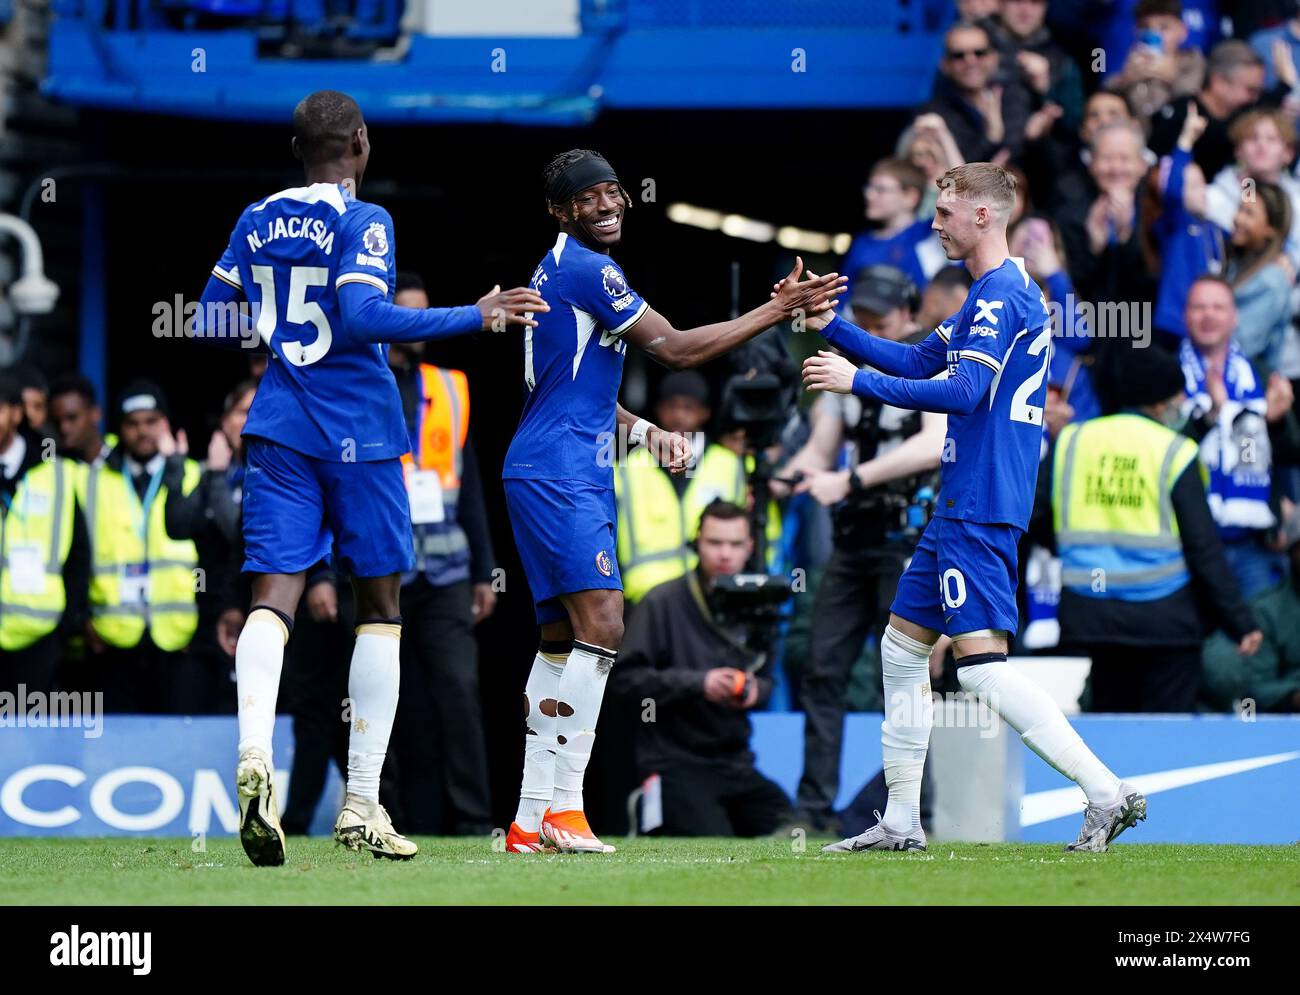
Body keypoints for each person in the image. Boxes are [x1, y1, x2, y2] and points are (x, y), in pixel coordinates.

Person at [192, 89, 545, 866]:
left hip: (280, 425)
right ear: (359, 142)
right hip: (362, 433)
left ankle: (255, 753)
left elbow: (206, 320)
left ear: (296, 149)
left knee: (272, 596)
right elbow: (363, 316)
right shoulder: (365, 219)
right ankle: (360, 802)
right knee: (380, 608)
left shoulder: (256, 217)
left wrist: (279, 333)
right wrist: (474, 314)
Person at [502, 147, 844, 854]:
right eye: (588, 197)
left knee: (561, 638)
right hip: (561, 470)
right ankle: (567, 808)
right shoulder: (590, 270)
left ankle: (528, 819)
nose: (607, 205)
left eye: (614, 192)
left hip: (547, 461)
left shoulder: (554, 268)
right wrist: (777, 309)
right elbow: (679, 351)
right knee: (604, 618)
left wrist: (643, 428)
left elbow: (571, 392)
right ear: (561, 210)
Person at [800, 162, 1145, 854]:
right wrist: (829, 326)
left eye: (945, 212)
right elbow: (919, 360)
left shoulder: (998, 299)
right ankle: (901, 818)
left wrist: (855, 381)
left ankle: (1106, 791)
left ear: (985, 215)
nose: (934, 224)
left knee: (981, 668)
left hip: (981, 501)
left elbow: (960, 392)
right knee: (900, 651)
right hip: (963, 500)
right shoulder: (991, 294)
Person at [777, 265, 947, 832]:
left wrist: (851, 481)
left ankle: (913, 805)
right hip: (853, 546)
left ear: (910, 314)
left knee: (900, 677)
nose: (871, 323)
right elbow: (821, 450)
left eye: (881, 315)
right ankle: (813, 808)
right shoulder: (846, 371)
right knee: (823, 669)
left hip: (905, 545)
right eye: (864, 315)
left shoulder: (929, 366)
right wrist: (784, 476)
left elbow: (932, 445)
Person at [1033, 346, 1261, 711]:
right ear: (1156, 403)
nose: (1180, 403)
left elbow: (1036, 519)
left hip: (1093, 614)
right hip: (1164, 618)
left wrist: (1077, 552)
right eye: (1175, 396)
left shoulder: (1073, 441)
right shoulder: (1175, 450)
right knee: (1166, 740)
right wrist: (1239, 622)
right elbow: (1203, 548)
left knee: (1108, 734)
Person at [385, 271, 498, 835]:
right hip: (381, 570)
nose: (422, 325)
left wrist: (484, 569)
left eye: (427, 313)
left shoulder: (449, 386)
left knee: (458, 690)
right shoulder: (360, 381)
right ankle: (386, 813)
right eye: (410, 314)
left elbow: (470, 482)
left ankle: (474, 818)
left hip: (449, 567)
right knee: (384, 699)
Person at [611, 501, 792, 837]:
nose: (725, 554)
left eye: (736, 544)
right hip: (673, 762)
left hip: (736, 763)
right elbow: (624, 681)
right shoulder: (661, 601)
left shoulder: (760, 601)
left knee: (793, 830)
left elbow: (768, 679)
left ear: (750, 547)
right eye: (714, 543)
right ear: (697, 543)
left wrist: (754, 690)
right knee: (710, 840)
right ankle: (646, 808)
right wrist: (699, 684)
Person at [74, 381, 203, 713]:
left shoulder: (190, 474)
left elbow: (212, 559)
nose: (142, 431)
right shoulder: (95, 479)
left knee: (179, 743)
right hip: (114, 635)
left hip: (179, 635)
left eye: (151, 421)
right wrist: (84, 620)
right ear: (119, 428)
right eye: (132, 423)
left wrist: (203, 626)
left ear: (166, 424)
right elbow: (79, 555)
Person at [1179, 276, 1291, 599]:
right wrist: (1212, 416)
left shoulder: (1258, 372)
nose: (1209, 315)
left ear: (1234, 316)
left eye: (1218, 307)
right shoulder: (1168, 373)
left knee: (1256, 640)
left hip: (1252, 542)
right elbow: (1160, 445)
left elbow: (1290, 450)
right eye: (1199, 307)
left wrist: (1276, 420)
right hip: (1187, 543)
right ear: (1185, 315)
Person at [0, 372, 88, 697]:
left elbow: (79, 554)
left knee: (29, 743)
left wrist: (67, 627)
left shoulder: (54, 472)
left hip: (39, 642)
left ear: (15, 413)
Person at [1203, 506, 1300, 712]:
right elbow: (1254, 689)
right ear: (1291, 552)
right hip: (1283, 721)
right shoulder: (1266, 609)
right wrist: (1294, 697)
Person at [1149, 40, 1267, 181]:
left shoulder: (1247, 122)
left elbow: (1248, 177)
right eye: (1250, 90)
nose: (1255, 98)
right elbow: (1154, 176)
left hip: (1238, 200)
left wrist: (1249, 200)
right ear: (1219, 83)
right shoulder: (1177, 116)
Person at [840, 158, 947, 298]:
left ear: (911, 197)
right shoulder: (862, 242)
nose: (869, 195)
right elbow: (842, 301)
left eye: (881, 189)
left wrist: (943, 137)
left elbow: (960, 189)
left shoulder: (928, 234)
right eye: (869, 187)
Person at [49, 374, 113, 465]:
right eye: (56, 421)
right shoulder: (50, 466)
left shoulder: (123, 461)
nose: (63, 428)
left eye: (72, 418)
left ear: (96, 413)